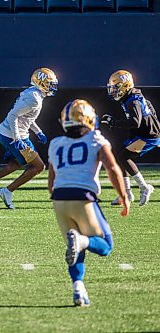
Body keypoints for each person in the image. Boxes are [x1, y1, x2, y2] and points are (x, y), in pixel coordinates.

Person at [48, 99, 130, 306]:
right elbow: (112, 169)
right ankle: (83, 241)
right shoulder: (95, 138)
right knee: (105, 246)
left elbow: (52, 180)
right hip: (82, 198)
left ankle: (78, 289)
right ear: (89, 119)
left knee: (74, 245)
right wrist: (123, 196)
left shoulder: (56, 143)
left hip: (59, 199)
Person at [0, 68, 58, 209]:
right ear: (41, 82)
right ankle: (7, 191)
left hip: (7, 133)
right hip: (13, 136)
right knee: (38, 166)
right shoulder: (34, 99)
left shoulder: (33, 94)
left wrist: (38, 131)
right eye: (50, 83)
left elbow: (26, 118)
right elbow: (12, 116)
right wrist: (17, 139)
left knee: (18, 162)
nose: (52, 87)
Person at [101, 70, 160, 206]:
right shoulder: (132, 96)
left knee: (123, 158)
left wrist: (113, 122)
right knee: (119, 157)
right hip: (145, 132)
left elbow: (135, 122)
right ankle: (126, 193)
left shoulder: (132, 101)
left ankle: (144, 187)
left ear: (125, 85)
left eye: (116, 87)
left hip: (148, 135)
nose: (113, 90)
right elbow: (150, 106)